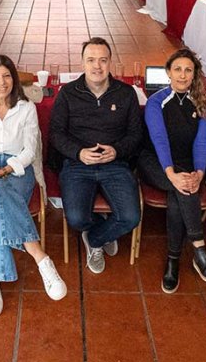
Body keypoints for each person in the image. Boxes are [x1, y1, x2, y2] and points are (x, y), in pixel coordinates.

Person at [0, 55, 67, 317]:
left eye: (6, 76)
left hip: (17, 169)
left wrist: (6, 169)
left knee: (0, 200)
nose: (1, 82)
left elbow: (30, 150)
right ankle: (41, 258)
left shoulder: (26, 107)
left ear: (14, 79)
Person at [50, 37, 142, 274]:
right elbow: (56, 134)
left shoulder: (126, 93)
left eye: (103, 60)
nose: (97, 66)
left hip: (115, 164)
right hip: (77, 164)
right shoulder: (68, 93)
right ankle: (99, 233)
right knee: (76, 219)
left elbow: (135, 134)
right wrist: (78, 153)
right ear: (82, 63)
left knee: (130, 218)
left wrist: (117, 150)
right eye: (90, 60)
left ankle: (95, 239)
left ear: (111, 62)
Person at [138, 49, 206, 292]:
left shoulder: (203, 101)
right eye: (177, 69)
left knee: (182, 191)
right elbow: (159, 139)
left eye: (188, 70)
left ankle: (173, 260)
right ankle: (199, 248)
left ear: (195, 73)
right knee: (182, 188)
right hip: (154, 161)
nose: (183, 75)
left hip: (185, 164)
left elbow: (202, 142)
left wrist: (199, 172)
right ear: (168, 72)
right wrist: (171, 174)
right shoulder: (157, 101)